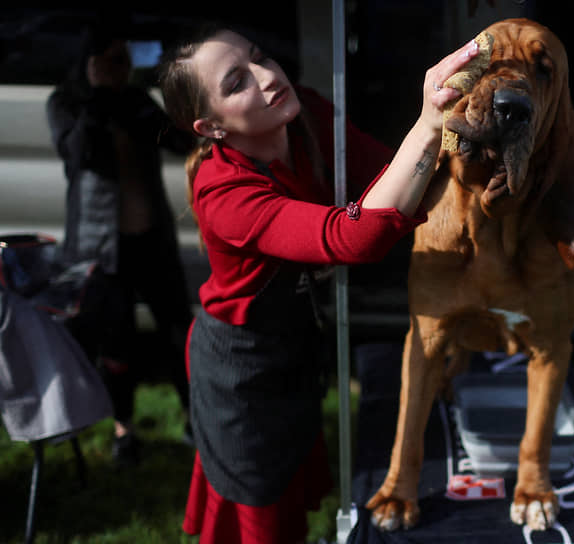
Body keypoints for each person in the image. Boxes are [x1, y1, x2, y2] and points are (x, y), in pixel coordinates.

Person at [157, 22, 480, 544]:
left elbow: (383, 172)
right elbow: (349, 238)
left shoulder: (304, 111)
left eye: (260, 55)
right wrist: (426, 126)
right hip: (240, 371)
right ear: (210, 127)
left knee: (296, 497)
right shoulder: (223, 193)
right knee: (259, 511)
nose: (266, 76)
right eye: (237, 82)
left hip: (297, 347)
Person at [46, 20, 196, 465]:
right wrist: (96, 95)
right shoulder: (68, 103)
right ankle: (123, 430)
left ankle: (194, 419)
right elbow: (76, 155)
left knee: (177, 331)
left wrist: (140, 98)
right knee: (117, 342)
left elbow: (177, 141)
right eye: (113, 60)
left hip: (151, 237)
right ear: (91, 62)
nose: (122, 68)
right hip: (100, 245)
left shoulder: (135, 102)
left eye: (126, 59)